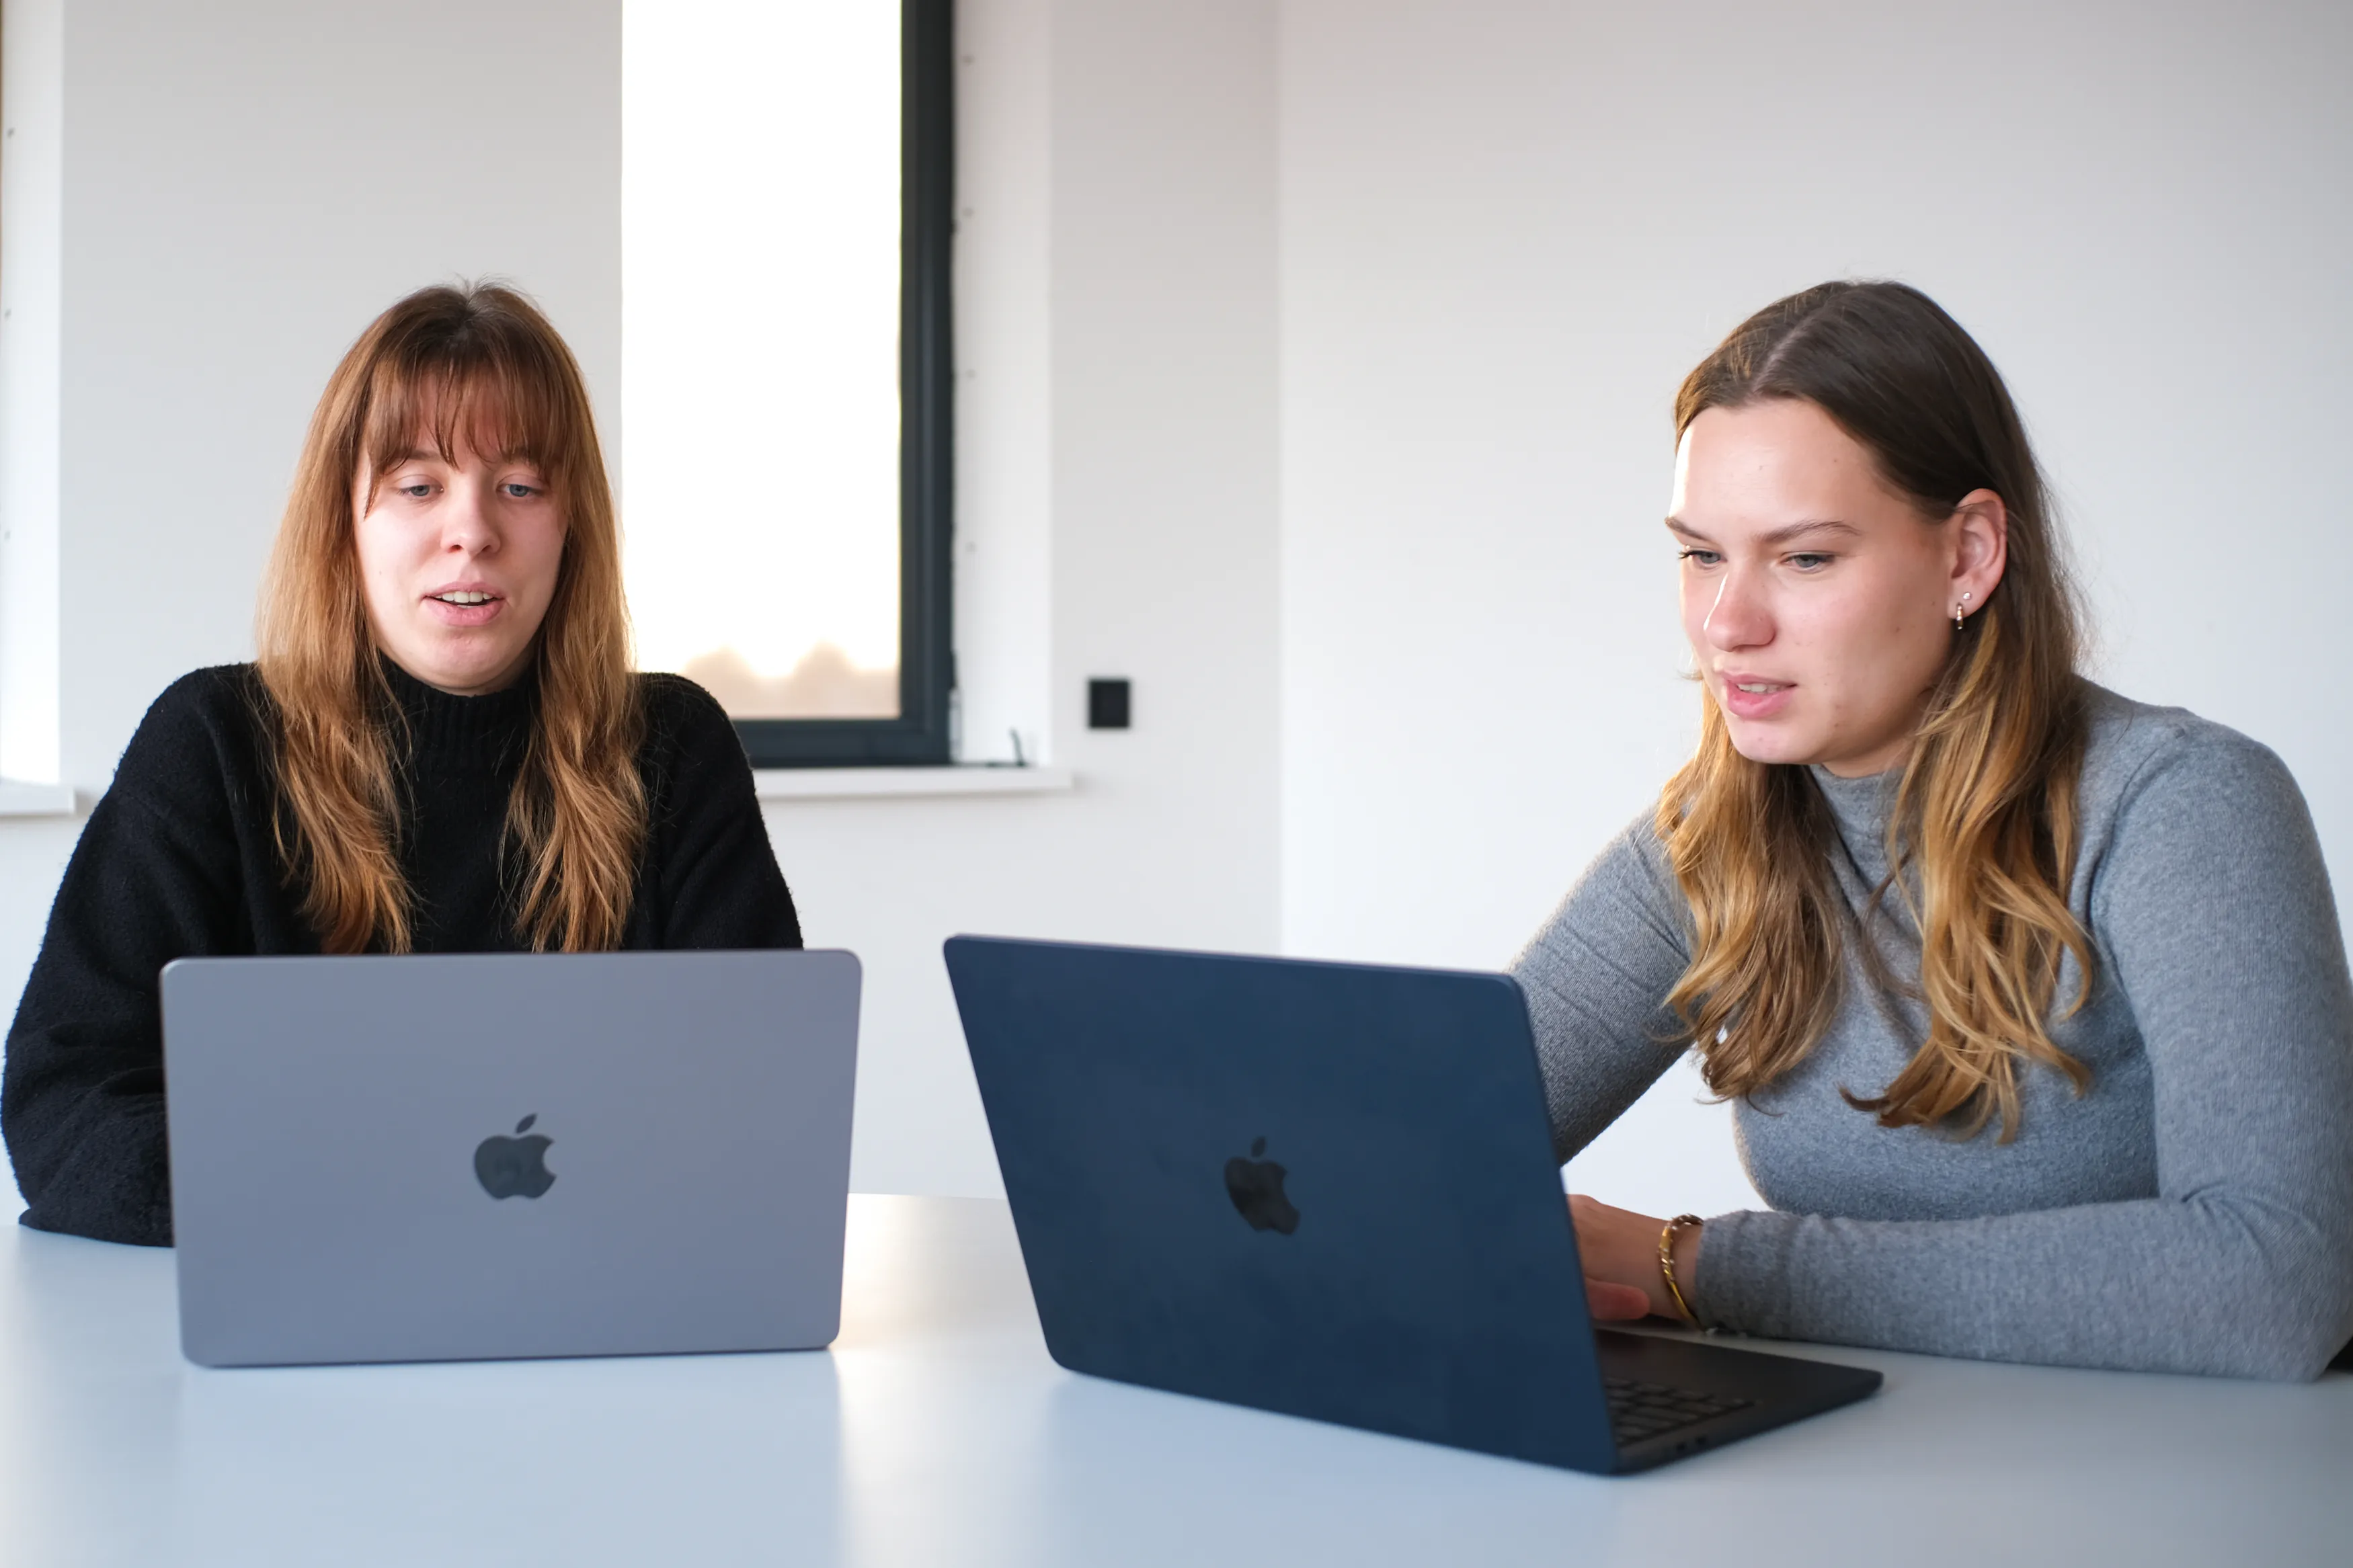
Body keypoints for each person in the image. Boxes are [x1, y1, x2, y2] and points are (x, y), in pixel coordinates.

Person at [1528, 280, 2353, 1380]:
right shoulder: (1710, 839)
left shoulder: (2179, 806)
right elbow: (1420, 1148)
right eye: (1701, 554)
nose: (1728, 622)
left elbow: (2280, 1279)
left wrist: (1699, 1265)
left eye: (1806, 557)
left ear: (1968, 556)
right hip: (1873, 1473)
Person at [2, 282, 802, 1247]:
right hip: (292, 1306)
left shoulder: (674, 748)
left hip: (595, 1320)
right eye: (418, 485)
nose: (471, 531)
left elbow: (759, 1106)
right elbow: (68, 1102)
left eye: (519, 486)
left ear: (570, 523)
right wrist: (364, 1216)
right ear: (346, 522)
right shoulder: (213, 740)